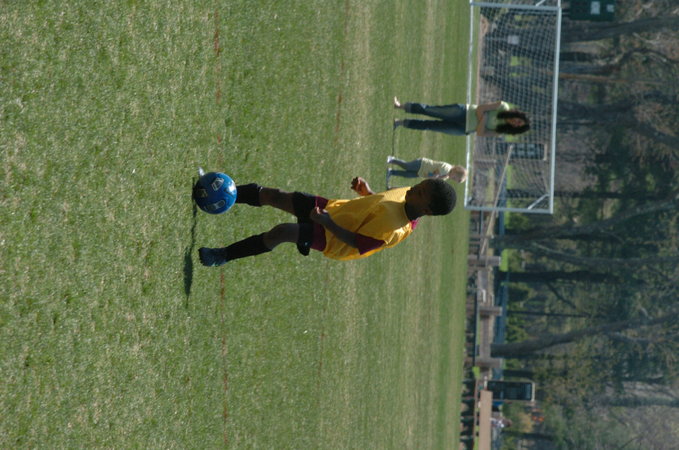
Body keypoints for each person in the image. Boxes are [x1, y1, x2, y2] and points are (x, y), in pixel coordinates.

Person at [198, 176, 456, 266]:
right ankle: (223, 193)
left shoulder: (394, 229)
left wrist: (327, 223)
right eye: (419, 185)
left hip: (334, 237)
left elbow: (358, 243)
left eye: (420, 192)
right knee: (274, 195)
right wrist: (368, 193)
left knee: (281, 232)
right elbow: (382, 204)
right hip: (334, 209)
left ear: (427, 210)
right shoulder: (409, 195)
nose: (414, 189)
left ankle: (223, 255)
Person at [392, 96, 530, 137]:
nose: (515, 123)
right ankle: (401, 106)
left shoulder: (500, 131)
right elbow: (480, 108)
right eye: (519, 121)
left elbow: (480, 133)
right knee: (430, 110)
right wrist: (482, 122)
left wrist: (483, 119)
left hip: (462, 129)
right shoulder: (503, 106)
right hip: (463, 112)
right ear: (518, 116)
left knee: (430, 126)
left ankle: (401, 123)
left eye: (518, 126)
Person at [386, 155, 467, 183]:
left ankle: (391, 172)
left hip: (422, 173)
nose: (452, 178)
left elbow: (437, 178)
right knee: (407, 166)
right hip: (422, 164)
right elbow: (436, 173)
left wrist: (439, 178)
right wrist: (436, 177)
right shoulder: (447, 168)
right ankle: (392, 160)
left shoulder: (446, 176)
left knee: (407, 175)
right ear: (455, 170)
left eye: (454, 179)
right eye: (454, 177)